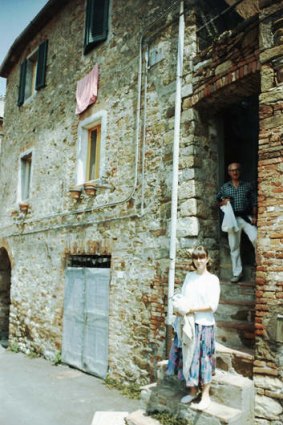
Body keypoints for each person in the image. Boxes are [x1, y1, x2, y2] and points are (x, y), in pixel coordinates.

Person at [167, 246, 220, 411]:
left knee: (203, 359)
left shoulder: (212, 280)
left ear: (207, 259)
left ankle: (205, 396)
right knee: (188, 358)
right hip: (188, 324)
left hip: (204, 325)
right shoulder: (189, 277)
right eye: (196, 258)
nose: (199, 261)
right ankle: (192, 390)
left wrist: (192, 309)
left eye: (202, 257)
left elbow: (213, 306)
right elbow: (183, 297)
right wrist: (179, 306)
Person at [216, 162, 257, 283]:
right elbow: (217, 201)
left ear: (240, 171)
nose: (235, 172)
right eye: (232, 170)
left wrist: (254, 216)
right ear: (229, 173)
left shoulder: (247, 186)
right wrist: (223, 202)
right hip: (232, 219)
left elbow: (254, 201)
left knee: (256, 238)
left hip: (246, 217)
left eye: (237, 170)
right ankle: (237, 273)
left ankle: (260, 262)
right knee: (234, 246)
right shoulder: (225, 187)